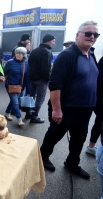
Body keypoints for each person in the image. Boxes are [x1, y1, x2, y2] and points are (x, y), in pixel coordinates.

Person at [40, 21, 100, 179]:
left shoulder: (91, 54)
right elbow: (55, 85)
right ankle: (42, 157)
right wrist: (57, 109)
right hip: (66, 107)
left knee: (79, 138)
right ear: (78, 35)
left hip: (85, 108)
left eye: (95, 34)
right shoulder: (67, 55)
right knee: (55, 134)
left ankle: (72, 163)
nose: (92, 37)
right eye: (88, 33)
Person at [28, 34, 55, 123]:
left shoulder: (34, 51)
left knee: (31, 97)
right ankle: (34, 116)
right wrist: (48, 79)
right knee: (40, 98)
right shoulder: (47, 52)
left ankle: (28, 113)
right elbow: (46, 68)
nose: (54, 43)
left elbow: (30, 64)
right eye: (53, 41)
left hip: (32, 78)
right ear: (47, 41)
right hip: (41, 80)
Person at [4, 47, 30, 127]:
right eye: (17, 53)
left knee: (14, 101)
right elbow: (3, 72)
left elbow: (27, 77)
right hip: (10, 86)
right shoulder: (9, 63)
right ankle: (19, 119)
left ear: (24, 55)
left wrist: (28, 90)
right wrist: (2, 77)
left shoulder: (26, 64)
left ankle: (7, 113)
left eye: (21, 53)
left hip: (21, 87)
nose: (19, 55)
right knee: (15, 102)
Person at [86, 56, 103, 156]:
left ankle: (92, 147)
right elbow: (99, 78)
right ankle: (92, 147)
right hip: (100, 97)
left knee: (99, 121)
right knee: (99, 122)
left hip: (99, 96)